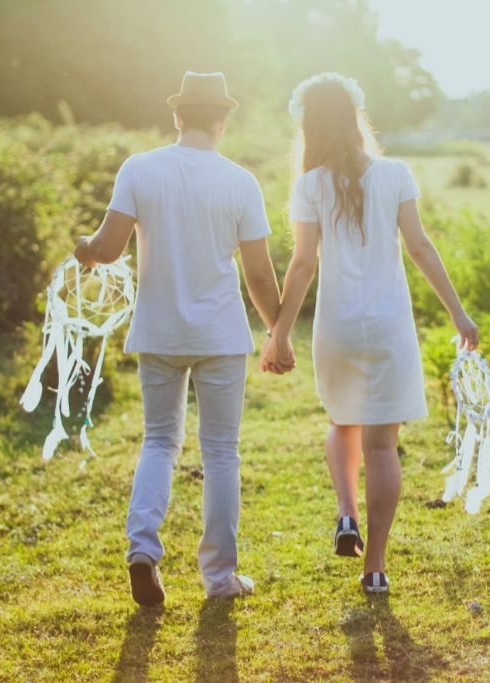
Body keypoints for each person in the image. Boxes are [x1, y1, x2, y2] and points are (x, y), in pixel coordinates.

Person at [262, 73, 478, 594]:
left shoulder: (309, 185)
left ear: (309, 127)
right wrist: (458, 313)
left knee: (342, 422)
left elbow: (302, 265)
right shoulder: (395, 173)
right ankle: (375, 568)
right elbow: (421, 247)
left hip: (337, 328)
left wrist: (279, 334)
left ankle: (344, 514)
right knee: (383, 448)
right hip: (388, 327)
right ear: (356, 118)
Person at [75, 71, 284, 606]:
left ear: (176, 116)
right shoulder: (240, 181)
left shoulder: (139, 169)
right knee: (220, 453)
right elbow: (260, 276)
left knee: (160, 442)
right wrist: (277, 331)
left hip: (160, 332)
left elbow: (109, 247)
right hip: (220, 334)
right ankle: (219, 579)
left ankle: (142, 551)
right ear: (222, 120)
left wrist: (85, 247)